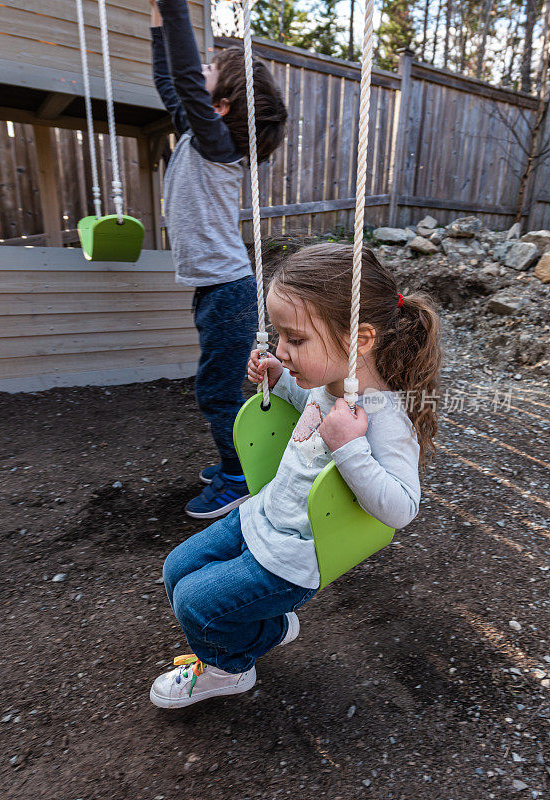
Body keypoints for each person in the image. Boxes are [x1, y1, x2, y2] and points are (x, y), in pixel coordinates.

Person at [149, 243, 442, 708]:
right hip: (263, 515)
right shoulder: (329, 382)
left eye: (295, 340)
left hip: (294, 557)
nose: (281, 350)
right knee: (176, 571)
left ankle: (229, 669)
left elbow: (402, 508)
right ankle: (270, 625)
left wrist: (350, 448)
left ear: (360, 341)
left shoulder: (384, 416)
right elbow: (307, 405)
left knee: (196, 605)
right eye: (278, 338)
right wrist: (277, 378)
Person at [149, 0, 288, 519]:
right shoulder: (198, 135)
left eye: (209, 71)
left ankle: (237, 479)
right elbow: (172, 83)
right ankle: (239, 463)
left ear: (222, 107)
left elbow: (184, 80)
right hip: (216, 290)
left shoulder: (215, 145)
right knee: (219, 390)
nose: (199, 70)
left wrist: (174, 8)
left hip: (229, 290)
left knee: (217, 393)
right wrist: (160, 22)